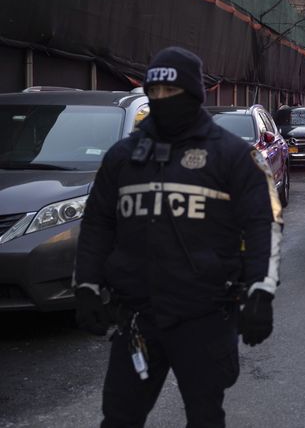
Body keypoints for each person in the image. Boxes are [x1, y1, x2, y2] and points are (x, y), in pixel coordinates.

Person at [74, 47, 283, 427]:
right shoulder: (123, 157)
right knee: (119, 418)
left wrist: (261, 292)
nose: (162, 100)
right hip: (137, 317)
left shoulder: (233, 156)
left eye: (171, 92)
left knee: (205, 417)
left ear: (193, 94)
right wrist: (86, 284)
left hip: (204, 316)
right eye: (154, 92)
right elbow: (98, 223)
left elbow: (262, 224)